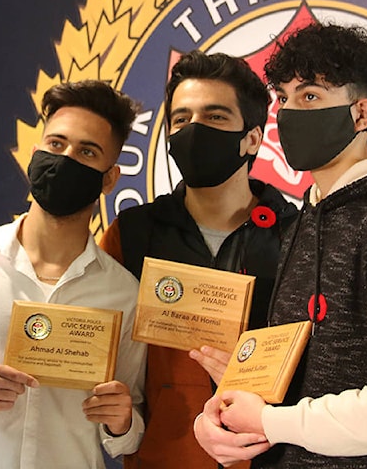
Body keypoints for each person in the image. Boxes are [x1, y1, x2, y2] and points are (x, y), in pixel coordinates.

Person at [195, 23, 367, 468]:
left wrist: (272, 422)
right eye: (284, 98)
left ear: (361, 115)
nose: (289, 112)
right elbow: (300, 382)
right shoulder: (305, 222)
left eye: (311, 96)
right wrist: (227, 410)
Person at [99, 50, 296, 469]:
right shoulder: (132, 233)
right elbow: (97, 349)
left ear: (254, 139)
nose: (194, 130)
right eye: (181, 119)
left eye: (215, 117)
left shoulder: (298, 235)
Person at [0, 80, 146, 468]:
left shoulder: (123, 293)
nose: (66, 158)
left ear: (109, 179)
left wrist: (122, 422)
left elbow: (130, 433)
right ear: (35, 153)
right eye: (56, 144)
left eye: (87, 151)